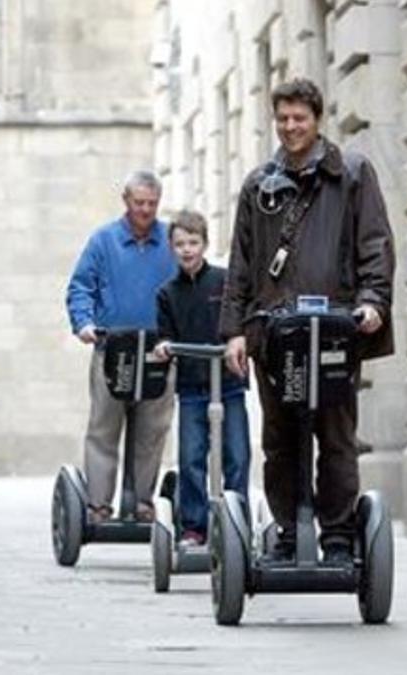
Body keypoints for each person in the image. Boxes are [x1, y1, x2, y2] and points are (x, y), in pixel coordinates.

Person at [220, 78, 396, 565]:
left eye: (299, 118)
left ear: (317, 119)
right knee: (279, 436)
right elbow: (242, 261)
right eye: (283, 119)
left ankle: (337, 533)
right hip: (274, 331)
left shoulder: (352, 172)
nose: (290, 127)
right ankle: (288, 528)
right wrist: (234, 329)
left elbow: (375, 243)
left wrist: (373, 301)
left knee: (336, 434)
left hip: (335, 327)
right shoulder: (259, 184)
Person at [66, 170, 177, 524]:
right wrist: (83, 323)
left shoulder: (170, 241)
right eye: (139, 202)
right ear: (125, 200)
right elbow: (80, 286)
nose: (145, 210)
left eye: (152, 204)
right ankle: (99, 504)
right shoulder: (104, 241)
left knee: (152, 429)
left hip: (157, 350)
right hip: (112, 349)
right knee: (103, 428)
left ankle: (144, 502)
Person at [152, 210, 251, 548]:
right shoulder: (167, 293)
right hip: (193, 388)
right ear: (171, 248)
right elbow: (163, 335)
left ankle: (237, 523)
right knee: (191, 458)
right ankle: (194, 526)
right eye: (180, 244)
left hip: (229, 386)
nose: (187, 250)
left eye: (193, 242)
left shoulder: (224, 282)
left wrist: (235, 342)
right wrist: (164, 346)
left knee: (237, 456)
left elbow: (240, 321)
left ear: (205, 244)